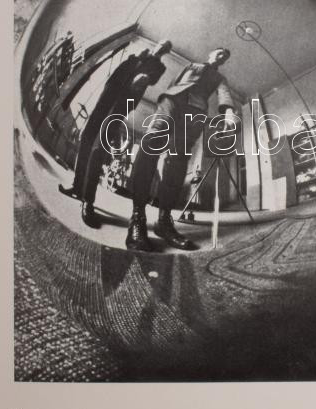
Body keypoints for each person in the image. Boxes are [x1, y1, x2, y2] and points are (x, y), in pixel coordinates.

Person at [126, 47, 236, 251]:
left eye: (225, 57)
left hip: (196, 112)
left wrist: (228, 113)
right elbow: (174, 82)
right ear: (211, 53)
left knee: (179, 158)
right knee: (151, 141)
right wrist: (164, 100)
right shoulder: (192, 65)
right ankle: (137, 217)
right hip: (172, 101)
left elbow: (224, 94)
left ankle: (164, 221)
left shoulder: (220, 78)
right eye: (220, 53)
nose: (222, 57)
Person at [59, 40, 172, 228]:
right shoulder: (139, 55)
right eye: (162, 43)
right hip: (109, 93)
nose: (162, 47)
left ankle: (88, 200)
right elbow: (122, 69)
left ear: (166, 52)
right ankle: (78, 188)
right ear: (157, 44)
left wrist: (144, 75)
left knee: (100, 145)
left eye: (166, 47)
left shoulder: (159, 67)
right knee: (87, 137)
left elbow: (150, 79)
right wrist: (138, 58)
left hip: (124, 101)